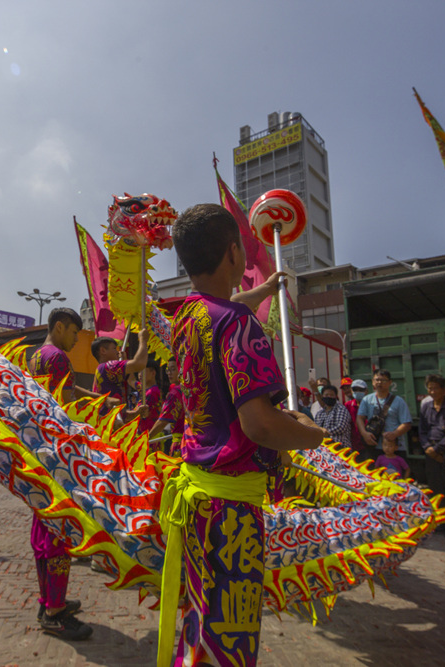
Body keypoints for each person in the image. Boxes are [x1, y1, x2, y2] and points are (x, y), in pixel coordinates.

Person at [162, 203, 329, 667]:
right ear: (235, 253)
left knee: (199, 623)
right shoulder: (238, 324)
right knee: (229, 637)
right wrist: (311, 435)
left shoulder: (187, 318)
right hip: (231, 511)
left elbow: (226, 310)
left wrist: (264, 290)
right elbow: (260, 425)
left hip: (198, 498)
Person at [26, 307, 93, 640]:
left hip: (38, 452)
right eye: (74, 332)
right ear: (61, 327)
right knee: (59, 533)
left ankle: (49, 600)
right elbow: (66, 410)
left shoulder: (36, 357)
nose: (77, 339)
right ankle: (54, 612)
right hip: (58, 456)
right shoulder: (60, 360)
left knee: (44, 530)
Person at [91, 329, 149, 421]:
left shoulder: (102, 370)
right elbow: (139, 363)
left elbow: (131, 380)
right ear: (103, 351)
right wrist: (143, 340)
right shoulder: (108, 366)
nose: (118, 352)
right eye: (114, 348)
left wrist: (136, 412)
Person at [419, 374, 445, 517]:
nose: (432, 392)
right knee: (436, 486)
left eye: (435, 388)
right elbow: (422, 430)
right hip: (430, 451)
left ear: (444, 389)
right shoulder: (426, 406)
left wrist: (437, 449)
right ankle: (441, 520)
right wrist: (428, 448)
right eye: (430, 389)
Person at [356, 369, 412, 460]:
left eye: (383, 380)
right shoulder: (366, 400)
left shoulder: (398, 401)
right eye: (376, 380)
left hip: (394, 447)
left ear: (390, 382)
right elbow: (360, 418)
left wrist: (395, 434)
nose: (379, 382)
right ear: (373, 382)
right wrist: (364, 433)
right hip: (374, 446)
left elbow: (407, 423)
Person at [345, 379, 365, 451]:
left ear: (366, 391)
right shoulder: (348, 405)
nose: (358, 392)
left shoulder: (370, 404)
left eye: (360, 389)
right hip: (354, 444)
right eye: (355, 389)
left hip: (368, 443)